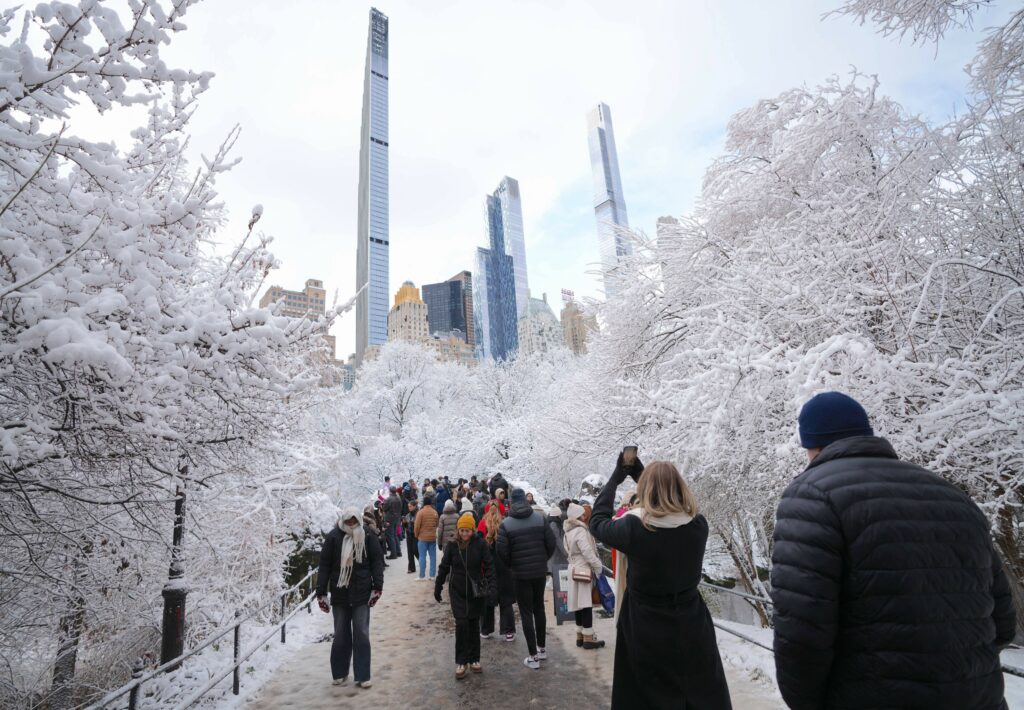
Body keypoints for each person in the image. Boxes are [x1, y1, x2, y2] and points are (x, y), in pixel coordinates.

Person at [771, 392, 1016, 710]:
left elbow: (802, 631)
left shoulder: (811, 496)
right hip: (979, 698)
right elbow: (1003, 622)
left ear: (810, 445)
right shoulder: (953, 496)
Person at [590, 456, 732, 709]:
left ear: (644, 490)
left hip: (646, 625)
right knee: (699, 691)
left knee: (648, 696)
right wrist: (643, 475)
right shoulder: (698, 525)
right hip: (691, 622)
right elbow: (667, 504)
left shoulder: (633, 529)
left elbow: (598, 521)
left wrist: (616, 477)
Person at [316, 507, 385, 690]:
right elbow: (324, 565)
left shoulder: (368, 536)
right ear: (343, 521)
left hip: (362, 592)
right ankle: (340, 672)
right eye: (349, 522)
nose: (352, 525)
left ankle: (363, 675)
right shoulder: (333, 537)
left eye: (354, 521)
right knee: (341, 634)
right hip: (340, 592)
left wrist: (377, 587)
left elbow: (377, 561)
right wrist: (321, 591)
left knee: (361, 633)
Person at [497, 487, 556, 670]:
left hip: (520, 574)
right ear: (526, 500)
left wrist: (512, 565)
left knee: (526, 612)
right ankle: (542, 648)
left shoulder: (506, 524)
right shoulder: (540, 519)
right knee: (539, 608)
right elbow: (551, 544)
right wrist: (541, 559)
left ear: (511, 503)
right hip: (539, 571)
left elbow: (502, 551)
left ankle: (533, 656)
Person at [435, 513, 497, 679]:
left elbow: (490, 565)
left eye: (467, 531)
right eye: (462, 530)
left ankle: (474, 659)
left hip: (476, 591)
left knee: (473, 625)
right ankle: (461, 661)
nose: (464, 534)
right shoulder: (452, 545)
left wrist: (492, 587)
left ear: (473, 529)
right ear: (458, 530)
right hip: (458, 591)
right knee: (462, 625)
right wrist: (438, 585)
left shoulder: (480, 544)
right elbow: (444, 567)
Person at [564, 503, 606, 650]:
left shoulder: (568, 531)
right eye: (582, 514)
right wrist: (598, 565)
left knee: (577, 604)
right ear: (577, 516)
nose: (584, 516)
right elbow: (587, 552)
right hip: (583, 570)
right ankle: (589, 637)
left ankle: (579, 636)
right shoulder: (581, 531)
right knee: (585, 603)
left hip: (573, 568)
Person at [478, 503, 517, 641]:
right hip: (504, 566)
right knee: (505, 600)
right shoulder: (506, 524)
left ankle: (486, 629)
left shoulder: (482, 524)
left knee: (487, 599)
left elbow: (478, 545)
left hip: (487, 566)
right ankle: (508, 631)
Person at [414, 494, 439, 580]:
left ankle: (422, 575)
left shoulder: (420, 513)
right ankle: (432, 575)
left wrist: (416, 535)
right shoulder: (435, 512)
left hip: (422, 538)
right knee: (433, 557)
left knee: (422, 556)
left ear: (423, 503)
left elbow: (416, 526)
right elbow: (437, 524)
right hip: (432, 537)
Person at [383, 487, 403, 560]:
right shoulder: (398, 498)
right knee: (395, 535)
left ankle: (393, 554)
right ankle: (398, 552)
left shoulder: (389, 499)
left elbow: (384, 508)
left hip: (389, 519)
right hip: (397, 519)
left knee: (390, 536)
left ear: (390, 491)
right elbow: (401, 507)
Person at [404, 499, 419, 574]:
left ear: (414, 506)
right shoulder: (408, 515)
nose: (409, 508)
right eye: (408, 506)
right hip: (409, 533)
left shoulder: (418, 513)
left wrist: (414, 523)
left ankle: (421, 560)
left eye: (410, 506)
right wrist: (404, 523)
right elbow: (406, 525)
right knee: (409, 551)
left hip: (416, 534)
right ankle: (411, 568)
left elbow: (419, 524)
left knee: (415, 549)